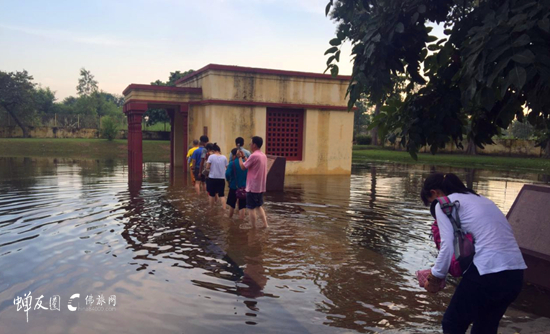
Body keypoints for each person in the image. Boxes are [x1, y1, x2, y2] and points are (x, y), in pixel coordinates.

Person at [420, 173, 526, 334]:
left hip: (487, 272)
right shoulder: (482, 199)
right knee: (485, 327)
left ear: (434, 193)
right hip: (515, 273)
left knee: (452, 323)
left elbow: (447, 246)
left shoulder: (442, 203)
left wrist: (435, 276)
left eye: (430, 202)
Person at [238, 136, 268, 228]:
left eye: (251, 143)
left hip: (252, 186)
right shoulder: (263, 155)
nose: (250, 144)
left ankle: (253, 227)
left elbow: (243, 167)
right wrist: (244, 157)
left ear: (254, 145)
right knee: (259, 206)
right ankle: (265, 225)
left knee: (251, 208)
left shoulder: (254, 155)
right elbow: (251, 165)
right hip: (260, 186)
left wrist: (239, 158)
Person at [226, 148, 248, 219]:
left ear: (234, 155)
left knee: (232, 205)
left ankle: (229, 219)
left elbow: (227, 175)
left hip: (233, 186)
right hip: (244, 187)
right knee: (242, 206)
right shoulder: (246, 163)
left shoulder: (232, 163)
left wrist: (228, 181)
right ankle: (241, 221)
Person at [205, 143, 227, 208]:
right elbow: (226, 167)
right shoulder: (224, 157)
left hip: (212, 178)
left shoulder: (211, 157)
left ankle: (211, 208)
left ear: (213, 150)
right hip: (221, 178)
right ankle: (224, 208)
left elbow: (207, 167)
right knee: (222, 195)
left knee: (212, 194)